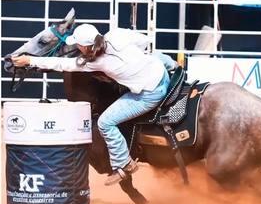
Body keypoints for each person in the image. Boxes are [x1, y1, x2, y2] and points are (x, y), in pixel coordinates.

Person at [12, 24, 177, 186]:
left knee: (105, 123)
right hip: (160, 71)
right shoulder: (116, 34)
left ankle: (124, 163)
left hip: (151, 93)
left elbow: (62, 64)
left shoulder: (94, 62)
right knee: (150, 55)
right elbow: (144, 41)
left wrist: (30, 60)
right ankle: (174, 65)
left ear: (83, 47)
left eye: (77, 44)